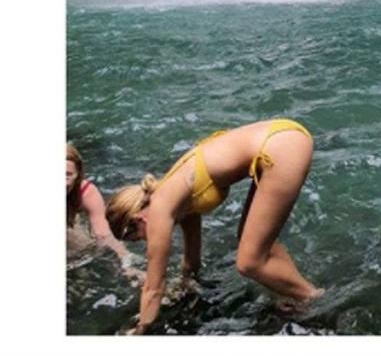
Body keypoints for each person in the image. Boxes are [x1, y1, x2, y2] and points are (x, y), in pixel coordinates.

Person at [105, 118, 322, 333]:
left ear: (135, 221)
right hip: (282, 138)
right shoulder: (175, 200)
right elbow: (192, 260)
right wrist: (185, 284)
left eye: (137, 238)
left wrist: (140, 329)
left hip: (282, 148)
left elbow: (153, 288)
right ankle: (290, 294)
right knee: (253, 243)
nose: (146, 240)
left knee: (248, 262)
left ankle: (313, 300)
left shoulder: (160, 207)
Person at [66, 144, 135, 270]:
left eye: (67, 174)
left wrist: (127, 263)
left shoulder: (86, 192)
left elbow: (104, 234)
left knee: (85, 248)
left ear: (77, 175)